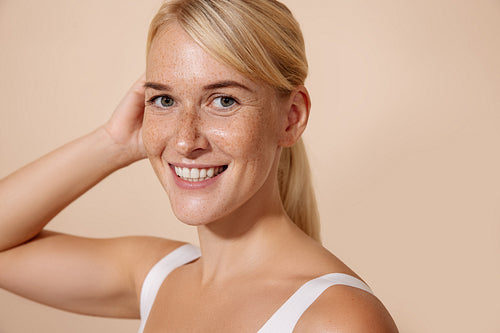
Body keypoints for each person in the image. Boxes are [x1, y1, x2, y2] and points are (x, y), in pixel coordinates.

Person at [0, 0, 398, 331]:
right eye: (165, 100)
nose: (186, 140)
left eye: (223, 100)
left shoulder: (336, 320)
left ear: (290, 117)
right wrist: (113, 143)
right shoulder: (158, 277)